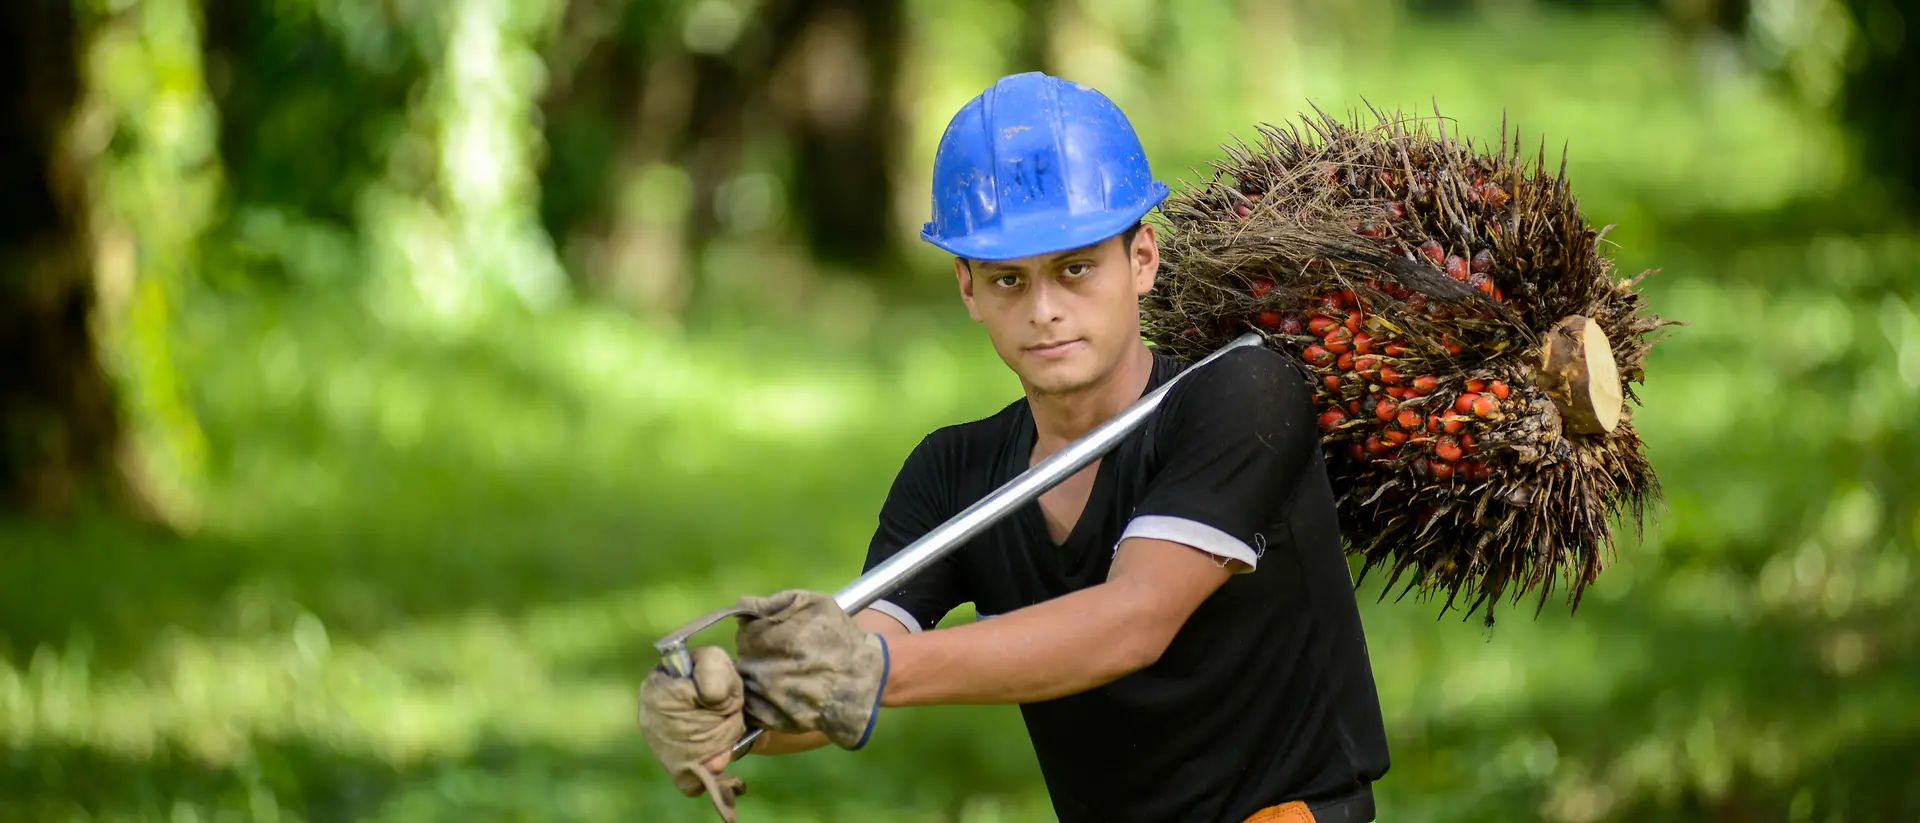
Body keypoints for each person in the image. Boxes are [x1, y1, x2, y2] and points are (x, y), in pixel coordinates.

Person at [638, 71, 1391, 823]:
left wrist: (869, 669)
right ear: (966, 287)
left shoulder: (1242, 395)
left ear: (1143, 259)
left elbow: (1133, 619)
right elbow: (851, 660)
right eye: (1008, 280)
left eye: (1075, 268)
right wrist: (740, 711)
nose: (1044, 312)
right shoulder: (954, 472)